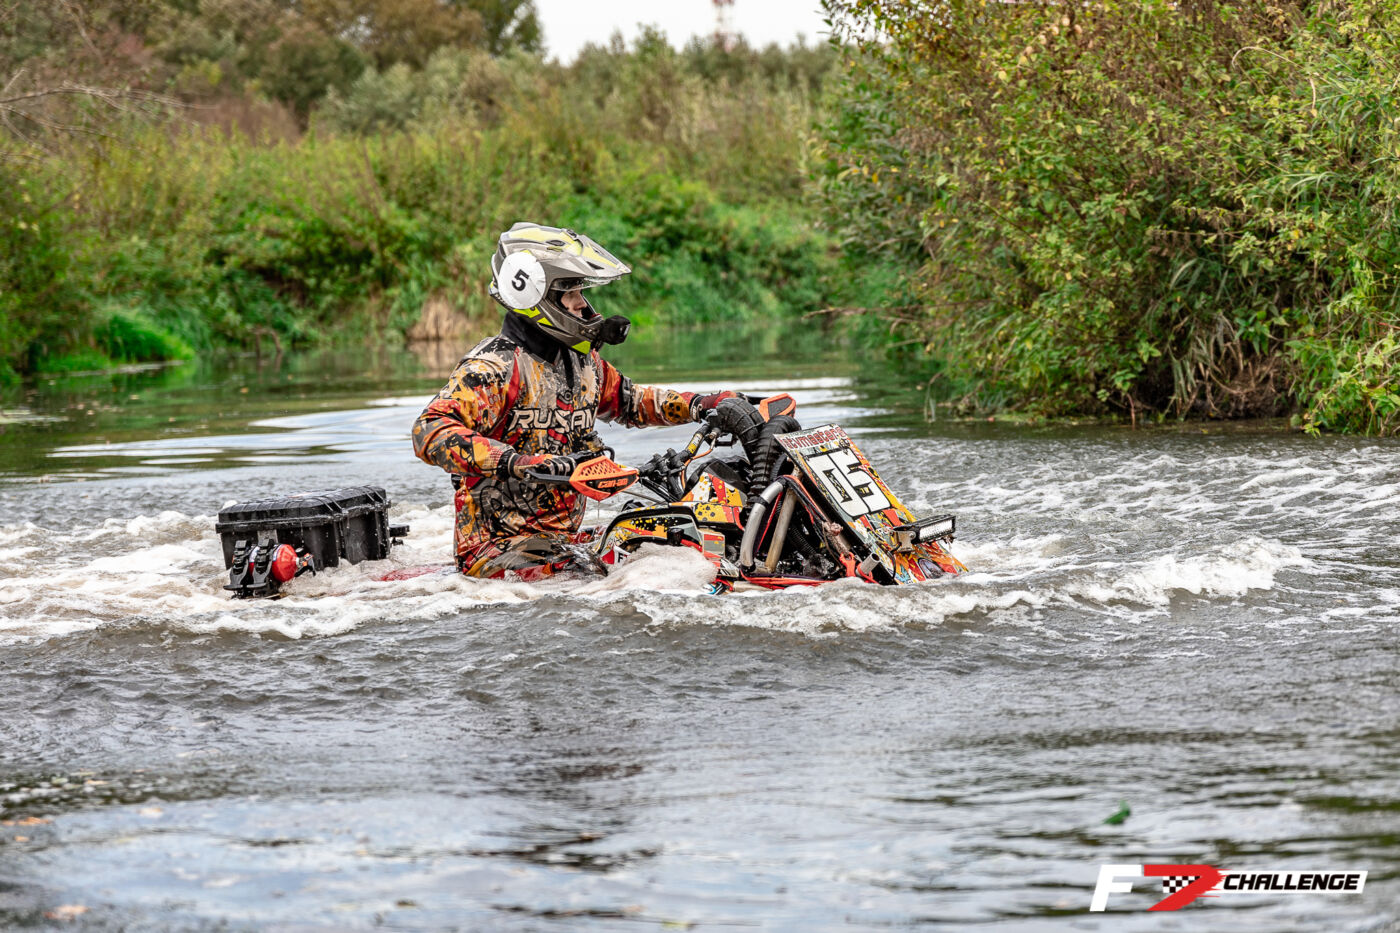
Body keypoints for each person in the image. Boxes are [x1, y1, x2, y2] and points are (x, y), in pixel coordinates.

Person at [412, 222, 741, 579]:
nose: (582, 304)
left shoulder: (583, 362)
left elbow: (632, 401)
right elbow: (429, 430)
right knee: (590, 575)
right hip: (495, 550)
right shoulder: (494, 367)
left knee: (661, 539)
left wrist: (703, 404)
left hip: (563, 540)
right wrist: (520, 463)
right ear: (536, 295)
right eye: (571, 293)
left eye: (580, 291)